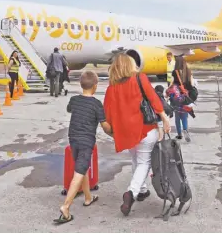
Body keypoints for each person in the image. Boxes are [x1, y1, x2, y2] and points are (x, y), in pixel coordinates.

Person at [103, 53, 170, 216]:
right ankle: (131, 192)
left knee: (136, 159)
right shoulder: (139, 78)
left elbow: (107, 113)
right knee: (143, 162)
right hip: (144, 129)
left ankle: (142, 190)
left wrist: (113, 132)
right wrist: (164, 117)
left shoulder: (111, 88)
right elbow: (153, 98)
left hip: (126, 133)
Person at [54, 71, 113, 224]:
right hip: (86, 142)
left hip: (73, 139)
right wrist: (114, 132)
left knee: (83, 167)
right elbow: (105, 126)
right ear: (95, 86)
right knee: (79, 171)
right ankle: (66, 207)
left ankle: (88, 197)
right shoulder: (96, 104)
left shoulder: (74, 100)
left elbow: (69, 109)